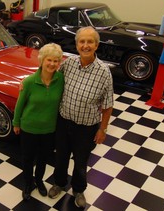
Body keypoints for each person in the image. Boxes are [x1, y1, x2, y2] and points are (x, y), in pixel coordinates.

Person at [48, 26, 114, 208]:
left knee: (80, 162)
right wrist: (27, 81)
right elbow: (50, 77)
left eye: (90, 42)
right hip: (64, 121)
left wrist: (103, 129)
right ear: (77, 44)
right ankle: (59, 183)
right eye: (82, 41)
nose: (85, 45)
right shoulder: (68, 64)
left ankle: (78, 189)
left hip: (86, 128)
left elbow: (108, 105)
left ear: (96, 45)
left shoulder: (104, 72)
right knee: (60, 157)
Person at [12, 43, 64, 201]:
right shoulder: (29, 82)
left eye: (56, 61)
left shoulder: (61, 79)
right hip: (29, 127)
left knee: (43, 158)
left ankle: (39, 180)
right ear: (42, 60)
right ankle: (28, 183)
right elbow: (20, 104)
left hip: (49, 129)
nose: (52, 64)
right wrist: (16, 123)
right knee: (28, 158)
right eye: (49, 60)